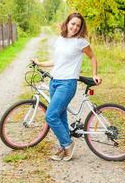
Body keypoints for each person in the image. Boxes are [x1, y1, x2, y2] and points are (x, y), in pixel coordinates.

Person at [32, 12, 101, 161]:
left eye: (78, 25)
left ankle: (68, 144)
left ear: (81, 27)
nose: (75, 27)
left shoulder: (80, 42)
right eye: (73, 24)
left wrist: (95, 74)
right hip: (54, 81)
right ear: (67, 23)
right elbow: (57, 60)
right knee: (60, 116)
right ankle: (65, 148)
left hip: (67, 83)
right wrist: (40, 63)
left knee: (50, 116)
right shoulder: (60, 39)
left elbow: (92, 57)